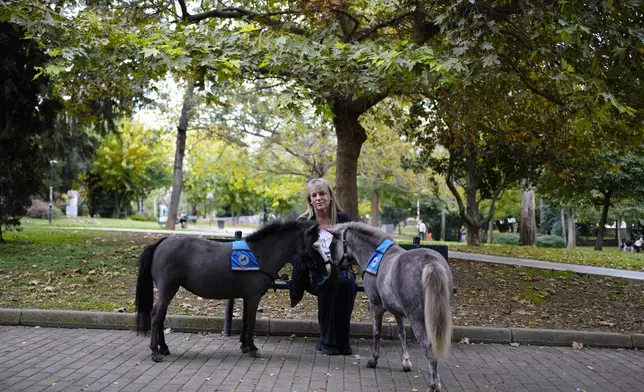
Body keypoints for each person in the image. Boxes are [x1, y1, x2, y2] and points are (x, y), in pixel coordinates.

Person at [288, 178, 356, 356]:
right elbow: (294, 254)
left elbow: (353, 248)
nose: (318, 198)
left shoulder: (342, 219)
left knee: (346, 284)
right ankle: (327, 340)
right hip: (313, 275)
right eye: (314, 195)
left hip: (341, 271)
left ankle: (343, 341)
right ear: (310, 200)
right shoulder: (304, 221)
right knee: (330, 284)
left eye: (322, 193)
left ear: (330, 196)